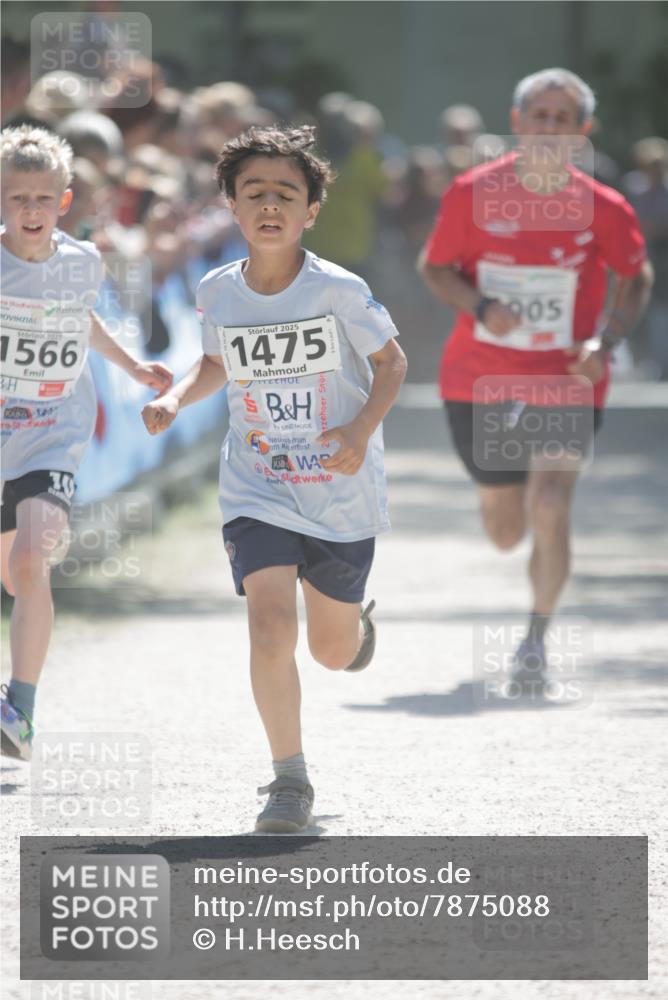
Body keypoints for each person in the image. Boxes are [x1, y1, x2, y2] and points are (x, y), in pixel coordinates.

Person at [142, 124, 407, 832]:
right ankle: (290, 783)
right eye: (253, 191)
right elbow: (216, 363)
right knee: (267, 625)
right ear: (230, 202)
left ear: (310, 211)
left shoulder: (339, 289)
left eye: (286, 193)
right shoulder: (217, 291)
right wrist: (174, 397)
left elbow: (393, 364)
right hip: (257, 483)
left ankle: (355, 632)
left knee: (330, 650)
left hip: (337, 490)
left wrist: (357, 432)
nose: (269, 204)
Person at [418, 69, 653, 687]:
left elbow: (638, 275)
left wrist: (607, 340)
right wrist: (479, 306)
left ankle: (535, 642)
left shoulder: (605, 207)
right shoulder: (471, 195)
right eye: (540, 116)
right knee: (505, 531)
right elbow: (436, 269)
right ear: (518, 123)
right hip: (479, 378)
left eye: (563, 118)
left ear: (583, 131)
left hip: (565, 377)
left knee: (551, 504)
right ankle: (502, 492)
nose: (550, 128)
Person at [0, 126, 172, 760]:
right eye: (17, 198)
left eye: (44, 198)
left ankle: (20, 707)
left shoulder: (82, 262)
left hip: (52, 433)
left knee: (30, 562)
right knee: (11, 575)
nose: (32, 211)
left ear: (64, 203)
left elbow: (84, 318)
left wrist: (133, 368)